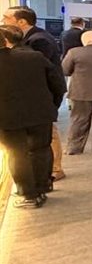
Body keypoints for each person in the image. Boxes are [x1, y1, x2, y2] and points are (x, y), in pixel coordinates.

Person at [0, 26, 64, 208]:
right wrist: (52, 106)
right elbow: (57, 83)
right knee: (41, 150)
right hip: (40, 113)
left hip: (7, 117)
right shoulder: (34, 57)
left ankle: (28, 194)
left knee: (16, 153)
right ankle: (42, 187)